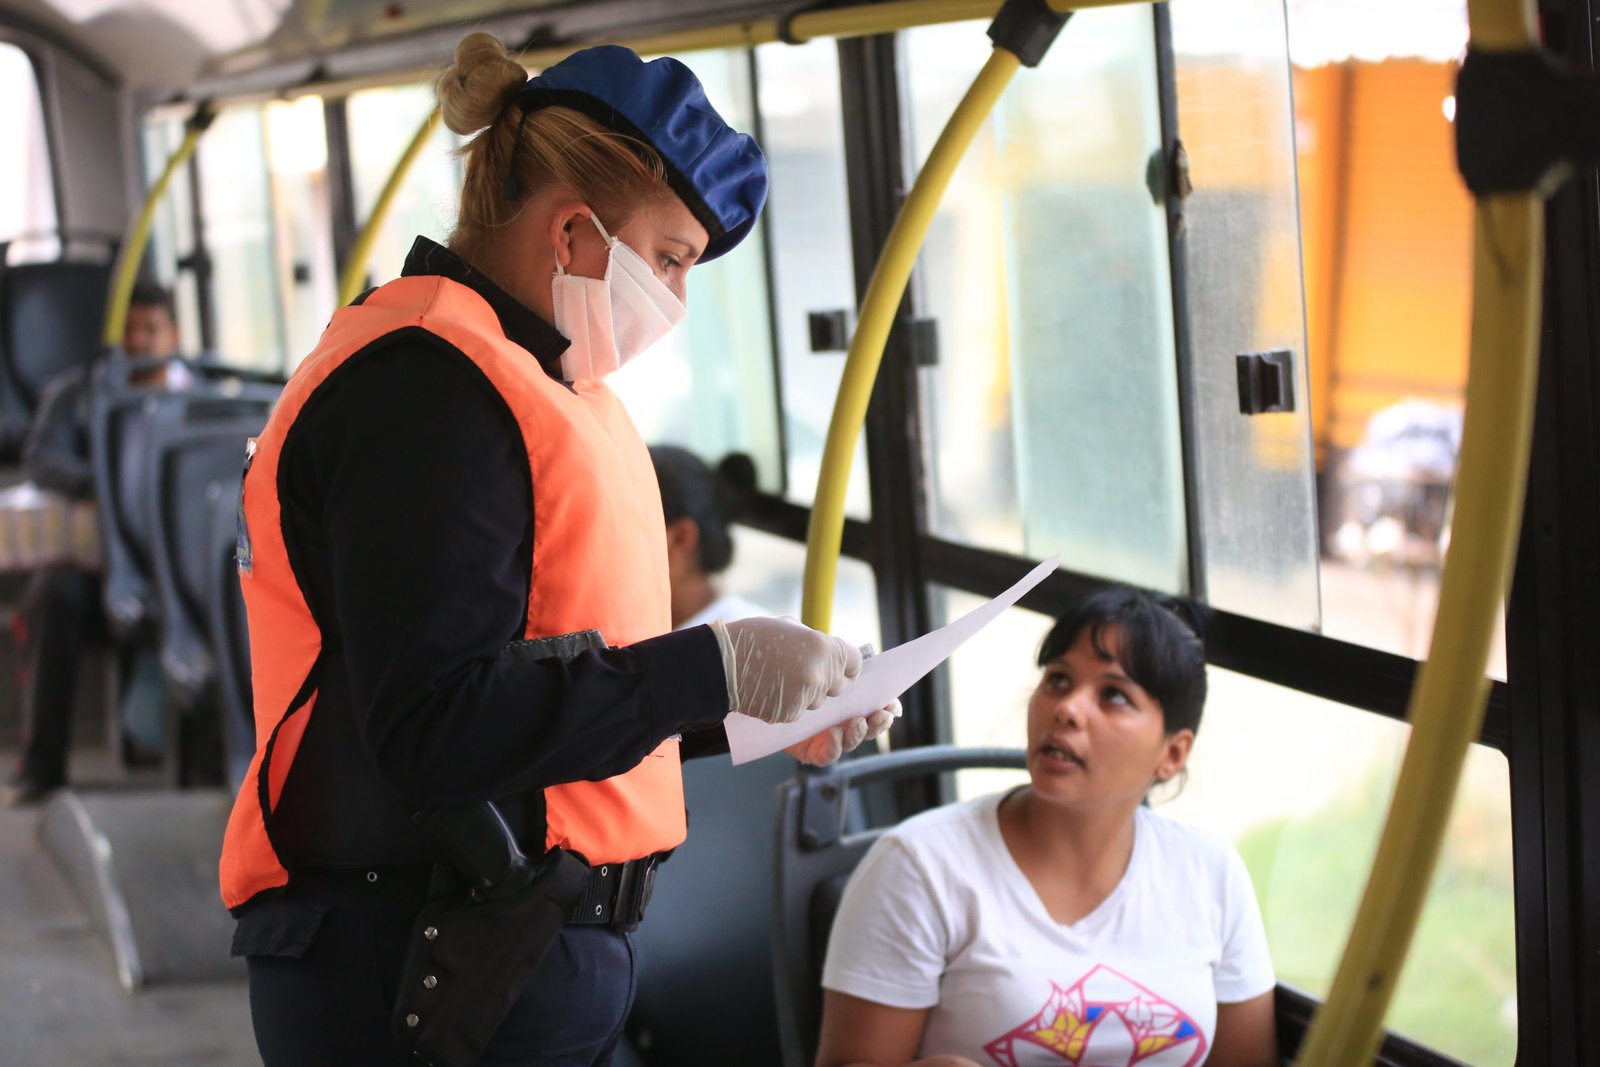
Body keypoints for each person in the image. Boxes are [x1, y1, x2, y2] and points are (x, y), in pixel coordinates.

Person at [220, 34, 892, 1067]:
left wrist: (745, 704)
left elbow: (553, 704)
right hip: (415, 960)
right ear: (575, 230)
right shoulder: (428, 391)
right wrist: (708, 662)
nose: (673, 298)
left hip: (497, 951)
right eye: (668, 258)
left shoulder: (536, 388)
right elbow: (436, 725)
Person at [816, 587, 1278, 1067]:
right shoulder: (919, 868)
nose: (1068, 708)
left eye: (1114, 695)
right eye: (1058, 680)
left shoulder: (1210, 873)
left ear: (1173, 754)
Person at [4, 280, 184, 805]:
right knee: (51, 594)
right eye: (128, 329)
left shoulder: (198, 397)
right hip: (97, 568)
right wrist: (108, 486)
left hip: (173, 569)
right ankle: (42, 764)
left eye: (151, 329)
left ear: (173, 335)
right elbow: (44, 459)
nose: (140, 341)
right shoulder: (77, 396)